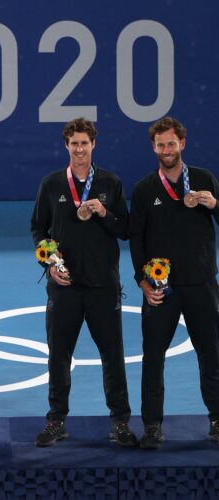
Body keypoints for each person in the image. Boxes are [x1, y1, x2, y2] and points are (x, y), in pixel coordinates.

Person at [30, 117, 136, 447]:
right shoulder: (51, 184)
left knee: (113, 356)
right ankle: (56, 420)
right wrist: (49, 263)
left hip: (103, 286)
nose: (79, 149)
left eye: (84, 143)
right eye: (74, 143)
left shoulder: (110, 183)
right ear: (66, 145)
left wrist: (104, 213)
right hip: (64, 286)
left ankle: (120, 422)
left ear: (94, 145)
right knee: (58, 356)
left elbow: (125, 230)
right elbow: (38, 229)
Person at [129, 116, 219, 449]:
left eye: (171, 143)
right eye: (160, 145)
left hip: (201, 284)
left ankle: (217, 419)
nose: (166, 149)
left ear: (182, 143)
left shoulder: (204, 180)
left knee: (211, 355)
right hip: (161, 288)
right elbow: (136, 238)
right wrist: (142, 281)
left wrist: (215, 204)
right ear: (153, 148)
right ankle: (152, 426)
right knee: (153, 358)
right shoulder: (144, 190)